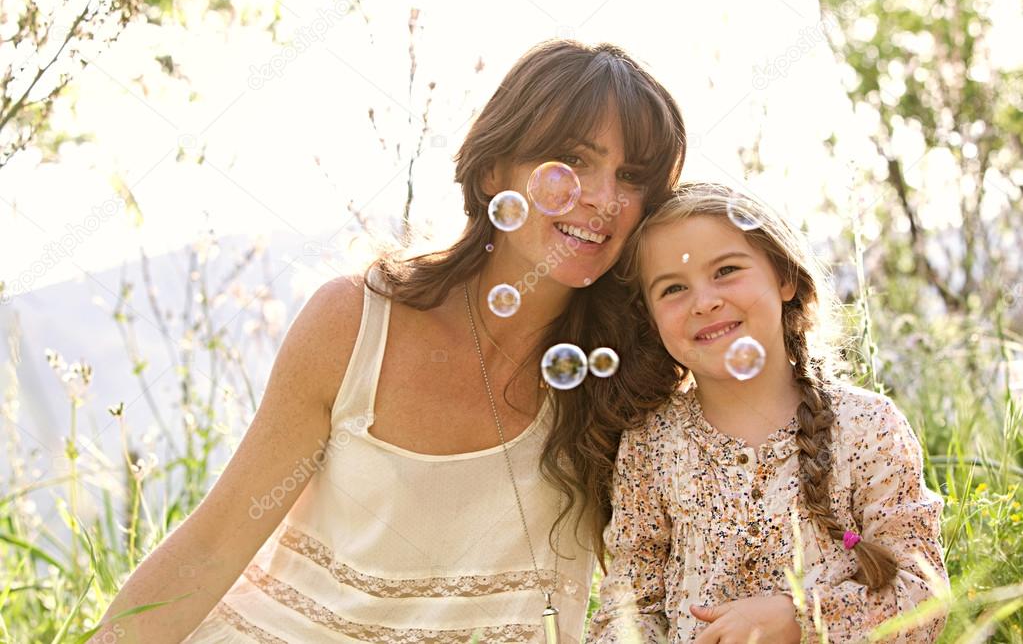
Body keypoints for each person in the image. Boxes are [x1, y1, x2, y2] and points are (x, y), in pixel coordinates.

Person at [91, 39, 686, 643]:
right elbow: (213, 545)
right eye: (575, 161)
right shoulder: (355, 321)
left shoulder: (635, 378)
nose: (603, 199)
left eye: (631, 178)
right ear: (491, 171)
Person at [586, 182, 949, 643]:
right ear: (651, 318)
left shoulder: (868, 428)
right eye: (673, 288)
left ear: (784, 277)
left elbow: (922, 595)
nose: (704, 301)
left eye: (726, 270)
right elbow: (628, 610)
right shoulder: (651, 445)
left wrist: (800, 620)